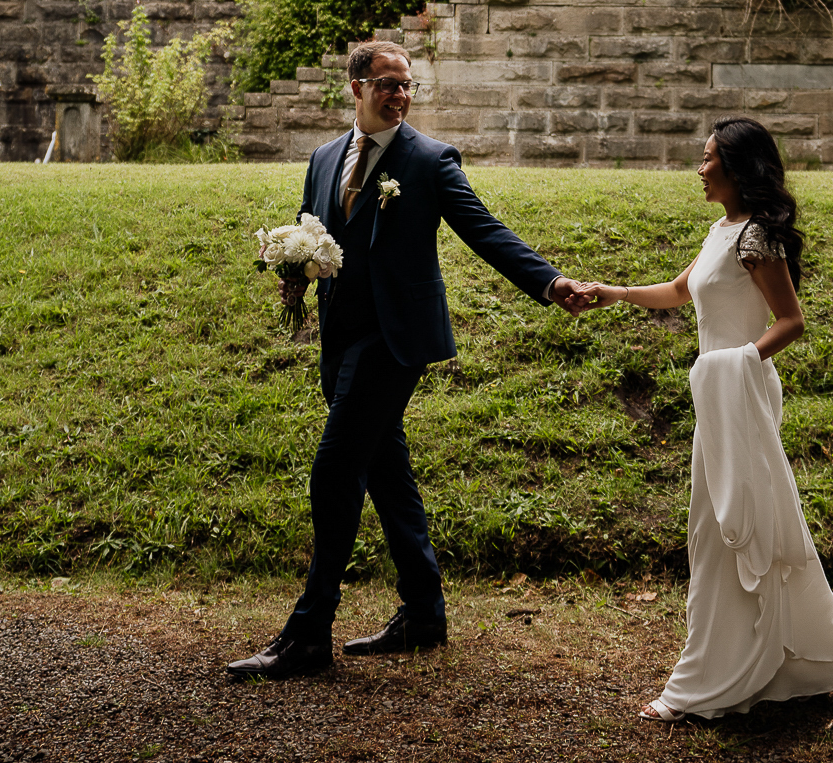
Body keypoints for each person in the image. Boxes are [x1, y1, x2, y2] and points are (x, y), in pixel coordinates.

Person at [227, 41, 596, 680]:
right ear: (356, 87)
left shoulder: (427, 161)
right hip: (341, 341)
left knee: (336, 471)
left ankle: (310, 631)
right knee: (386, 472)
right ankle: (424, 612)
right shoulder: (321, 159)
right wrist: (291, 262)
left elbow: (485, 230)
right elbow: (312, 228)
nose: (399, 95)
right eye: (387, 84)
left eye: (407, 86)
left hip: (394, 342)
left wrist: (550, 282)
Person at [587, 116, 833, 721]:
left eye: (709, 156)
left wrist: (735, 364)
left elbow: (790, 322)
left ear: (738, 168)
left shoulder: (758, 238)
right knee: (714, 529)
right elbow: (680, 292)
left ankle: (708, 684)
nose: (700, 165)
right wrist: (613, 292)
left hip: (738, 395)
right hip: (715, 397)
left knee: (736, 528)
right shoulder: (722, 230)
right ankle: (784, 665)